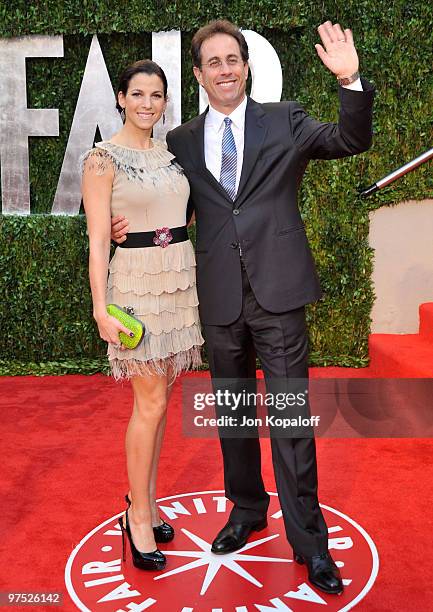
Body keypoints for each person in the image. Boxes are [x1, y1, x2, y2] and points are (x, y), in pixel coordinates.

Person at [112, 20, 375, 594]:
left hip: (279, 293)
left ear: (246, 66)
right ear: (200, 74)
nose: (225, 69)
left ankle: (309, 541)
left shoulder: (286, 119)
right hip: (218, 294)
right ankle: (246, 510)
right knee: (231, 415)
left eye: (234, 59)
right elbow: (161, 198)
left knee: (289, 420)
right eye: (214, 62)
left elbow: (349, 140)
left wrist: (350, 79)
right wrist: (123, 226)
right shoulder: (179, 141)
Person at [81, 59, 204, 571]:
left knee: (161, 402)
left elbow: (187, 212)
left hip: (177, 278)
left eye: (156, 96)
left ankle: (144, 504)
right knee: (149, 404)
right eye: (138, 94)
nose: (147, 104)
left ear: (164, 101)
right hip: (135, 286)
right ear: (120, 98)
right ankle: (135, 517)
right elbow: (94, 241)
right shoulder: (100, 159)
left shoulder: (170, 154)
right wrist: (99, 309)